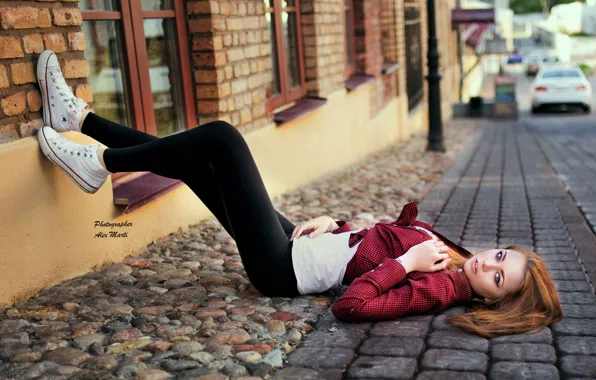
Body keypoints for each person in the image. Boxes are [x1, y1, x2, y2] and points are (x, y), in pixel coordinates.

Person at [34, 50, 563, 339]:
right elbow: (368, 246)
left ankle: (99, 163)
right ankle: (79, 120)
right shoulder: (454, 259)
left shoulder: (439, 290)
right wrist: (335, 226)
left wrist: (405, 263)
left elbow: (351, 307)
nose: (487, 267)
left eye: (498, 279)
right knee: (199, 164)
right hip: (302, 243)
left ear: (497, 303)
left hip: (281, 269)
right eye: (500, 257)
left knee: (220, 138)